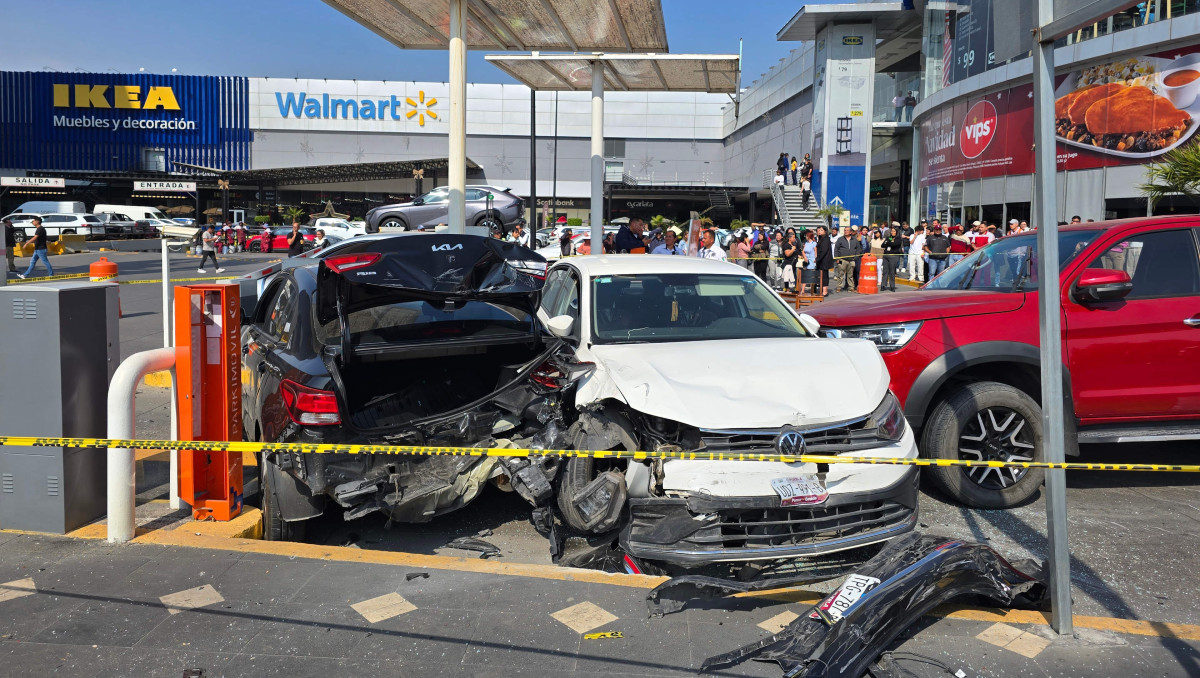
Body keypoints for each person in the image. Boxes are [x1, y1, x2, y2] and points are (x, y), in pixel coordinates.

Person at [833, 226, 860, 293]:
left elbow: (858, 249)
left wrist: (855, 257)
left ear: (850, 232)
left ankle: (851, 287)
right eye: (845, 230)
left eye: (847, 230)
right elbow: (836, 249)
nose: (846, 231)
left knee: (850, 275)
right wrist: (837, 258)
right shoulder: (840, 239)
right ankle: (839, 287)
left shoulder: (854, 240)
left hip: (851, 260)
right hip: (842, 259)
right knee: (840, 274)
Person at [880, 224, 903, 292]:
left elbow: (895, 244)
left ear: (896, 232)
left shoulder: (898, 239)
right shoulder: (889, 238)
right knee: (885, 271)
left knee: (892, 272)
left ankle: (892, 286)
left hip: (894, 256)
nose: (892, 233)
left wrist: (888, 243)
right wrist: (888, 242)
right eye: (892, 231)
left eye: (894, 231)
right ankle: (883, 285)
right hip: (886, 255)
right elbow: (883, 245)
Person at [815, 225, 833, 296]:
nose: (819, 231)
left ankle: (825, 291)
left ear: (825, 231)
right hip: (821, 260)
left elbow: (824, 251)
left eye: (821, 230)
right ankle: (822, 290)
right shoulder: (820, 238)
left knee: (824, 275)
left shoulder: (826, 239)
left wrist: (818, 259)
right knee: (821, 275)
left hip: (824, 260)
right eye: (819, 230)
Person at [801, 230, 818, 294]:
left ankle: (812, 289)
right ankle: (803, 290)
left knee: (811, 275)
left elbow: (815, 252)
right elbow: (803, 251)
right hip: (806, 259)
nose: (806, 237)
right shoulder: (806, 243)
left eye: (807, 236)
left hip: (812, 259)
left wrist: (815, 259)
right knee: (805, 275)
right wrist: (805, 257)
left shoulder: (814, 243)